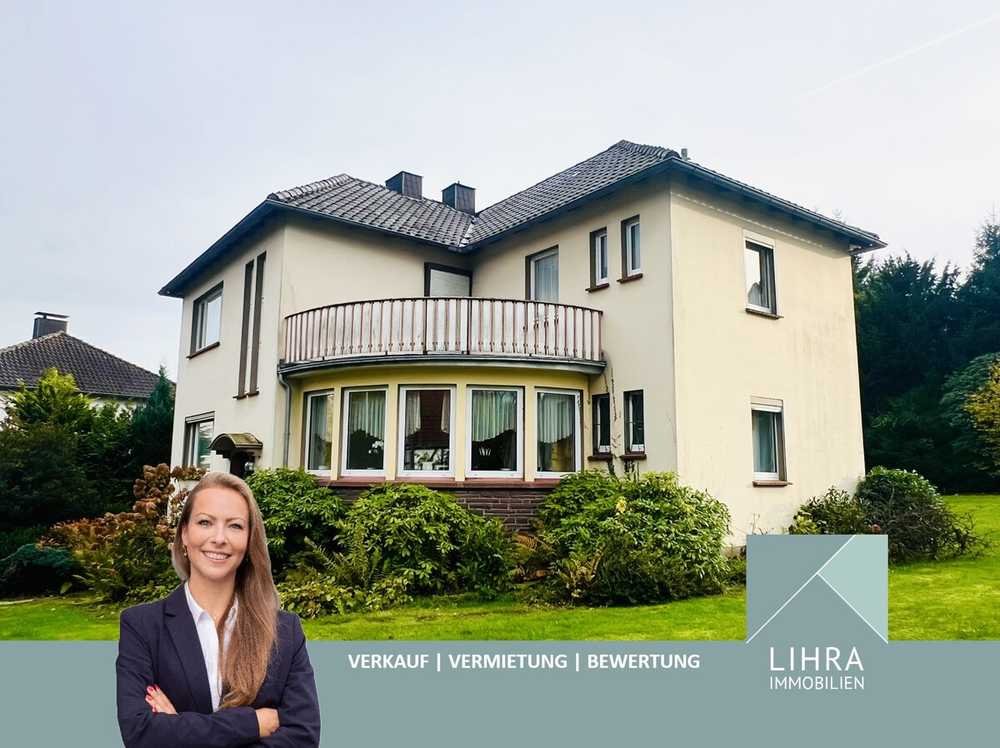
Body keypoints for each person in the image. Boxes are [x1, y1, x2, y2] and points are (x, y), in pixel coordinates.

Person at [116, 472, 321, 747]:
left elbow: (303, 738)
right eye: (205, 522)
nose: (219, 538)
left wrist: (178, 729)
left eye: (235, 526)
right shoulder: (142, 626)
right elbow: (140, 733)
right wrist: (253, 723)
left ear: (249, 540)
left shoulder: (285, 632)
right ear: (184, 533)